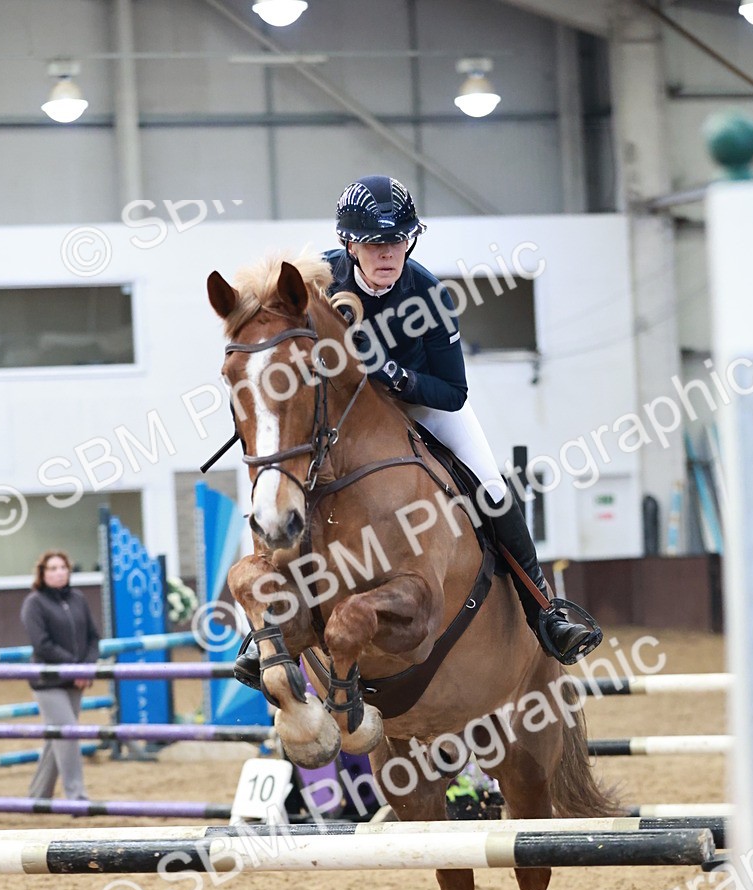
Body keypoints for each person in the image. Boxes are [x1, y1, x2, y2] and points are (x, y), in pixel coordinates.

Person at [235, 175, 600, 687]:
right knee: (286, 478)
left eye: (399, 241)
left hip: (421, 404)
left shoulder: (429, 293)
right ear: (349, 244)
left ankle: (544, 611)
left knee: (490, 487)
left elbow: (453, 392)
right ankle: (267, 630)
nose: (388, 253)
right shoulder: (317, 280)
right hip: (346, 414)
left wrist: (391, 374)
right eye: (375, 243)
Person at [20, 550, 100, 800]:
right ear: (42, 574)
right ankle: (76, 796)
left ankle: (37, 795)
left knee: (58, 737)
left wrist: (87, 666)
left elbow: (93, 638)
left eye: (62, 567)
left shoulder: (78, 598)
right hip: (49, 681)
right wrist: (75, 667)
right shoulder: (34, 603)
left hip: (76, 680)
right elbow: (42, 644)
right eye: (52, 568)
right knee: (67, 735)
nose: (58, 572)